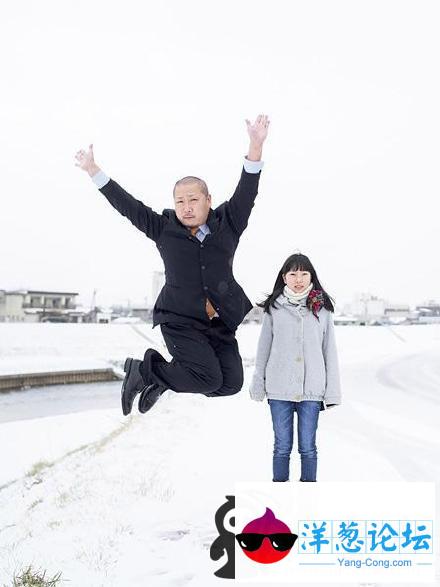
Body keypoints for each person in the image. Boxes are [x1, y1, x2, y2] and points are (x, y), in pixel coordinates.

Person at [75, 114, 270, 416]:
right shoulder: (164, 228)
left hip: (218, 324)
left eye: (193, 200)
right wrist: (93, 170)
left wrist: (255, 145)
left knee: (229, 384)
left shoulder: (228, 223)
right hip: (179, 320)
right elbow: (128, 205)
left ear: (208, 200)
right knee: (207, 378)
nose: (186, 207)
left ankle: (160, 379)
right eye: (180, 201)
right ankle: (143, 371)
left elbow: (248, 189)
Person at [249, 253, 341, 482]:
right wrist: (258, 383)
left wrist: (332, 391)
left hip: (312, 389)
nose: (298, 279)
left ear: (312, 276)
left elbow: (329, 351)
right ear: (284, 277)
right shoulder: (274, 309)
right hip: (279, 387)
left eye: (304, 273)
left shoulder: (323, 309)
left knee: (308, 447)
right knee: (281, 446)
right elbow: (263, 349)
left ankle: (308, 497)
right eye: (293, 274)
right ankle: (280, 496)